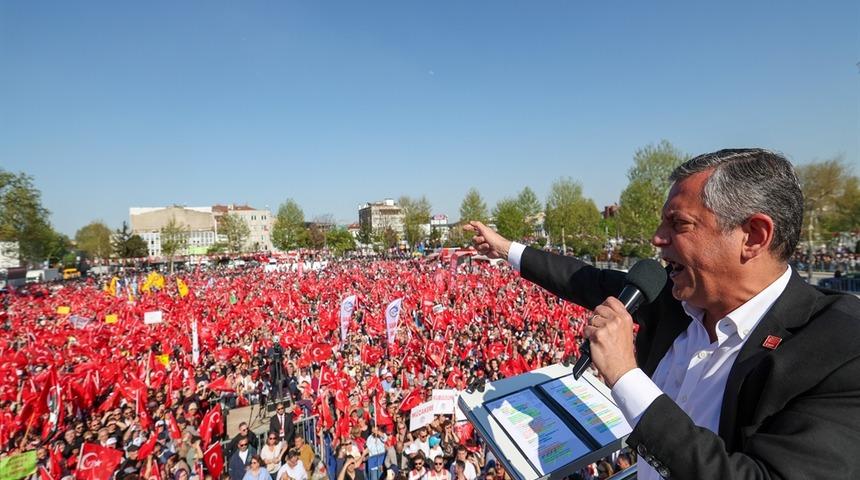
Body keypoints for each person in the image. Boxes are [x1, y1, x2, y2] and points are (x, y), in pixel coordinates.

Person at [467, 148, 860, 479]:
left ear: (753, 236)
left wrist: (625, 377)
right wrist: (506, 249)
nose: (657, 238)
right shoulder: (672, 301)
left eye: (679, 224)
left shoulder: (840, 349)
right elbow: (583, 279)